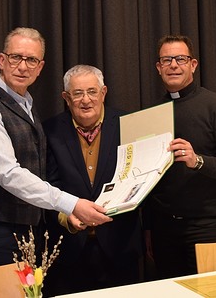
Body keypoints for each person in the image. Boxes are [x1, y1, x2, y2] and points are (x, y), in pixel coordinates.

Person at [0, 27, 111, 268]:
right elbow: (8, 173)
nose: (23, 67)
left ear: (40, 67)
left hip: (29, 229)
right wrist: (71, 204)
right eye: (16, 57)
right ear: (2, 60)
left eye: (31, 60)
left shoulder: (26, 103)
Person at [143, 35, 216, 278]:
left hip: (205, 227)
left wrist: (197, 161)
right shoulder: (150, 113)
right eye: (166, 60)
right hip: (162, 230)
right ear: (158, 67)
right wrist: (147, 228)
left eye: (180, 59)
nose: (173, 65)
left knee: (210, 291)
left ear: (193, 64)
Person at [43, 65, 142, 295]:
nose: (86, 100)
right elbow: (47, 184)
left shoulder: (129, 124)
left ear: (103, 92)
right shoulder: (49, 131)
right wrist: (66, 216)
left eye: (92, 91)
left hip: (120, 248)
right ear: (66, 98)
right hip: (69, 252)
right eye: (77, 93)